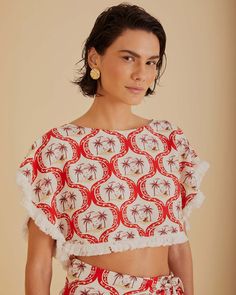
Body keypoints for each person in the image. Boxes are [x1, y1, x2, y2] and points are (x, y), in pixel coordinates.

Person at [16, 3, 210, 295]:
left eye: (151, 62)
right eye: (129, 58)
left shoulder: (169, 140)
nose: (141, 74)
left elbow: (179, 246)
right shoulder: (58, 148)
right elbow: (39, 263)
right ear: (95, 58)